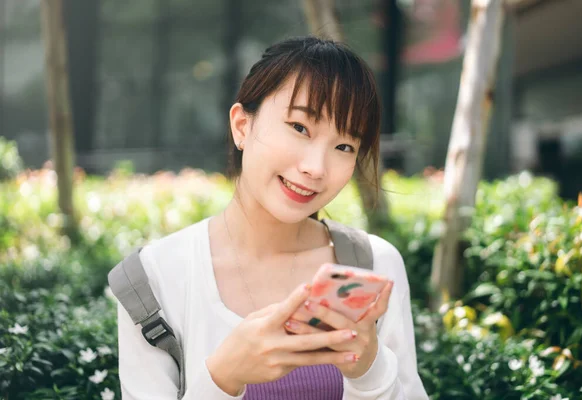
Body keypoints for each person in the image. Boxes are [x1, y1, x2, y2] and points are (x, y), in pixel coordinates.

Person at [117, 36, 428, 399]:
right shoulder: (155, 277)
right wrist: (222, 377)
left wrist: (369, 368)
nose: (315, 168)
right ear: (242, 126)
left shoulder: (372, 265)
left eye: (344, 146)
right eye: (299, 127)